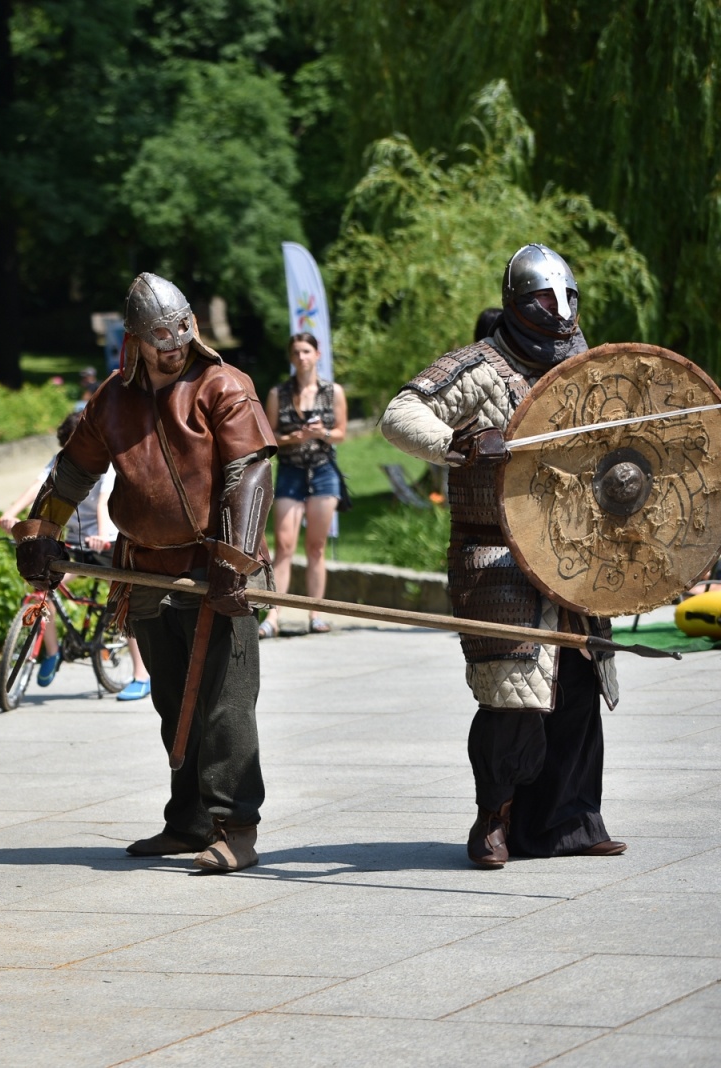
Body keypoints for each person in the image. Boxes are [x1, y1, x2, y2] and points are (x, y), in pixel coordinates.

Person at [13, 273, 276, 872]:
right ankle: (187, 821)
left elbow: (249, 473)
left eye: (184, 330)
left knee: (226, 705)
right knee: (172, 700)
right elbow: (74, 470)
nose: (176, 345)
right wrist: (42, 531)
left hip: (217, 569)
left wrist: (237, 559)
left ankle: (237, 826)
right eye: (162, 336)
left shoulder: (224, 385)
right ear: (134, 340)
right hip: (148, 569)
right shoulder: (112, 399)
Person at [380, 244, 626, 869]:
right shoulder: (479, 364)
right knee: (513, 694)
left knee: (576, 687)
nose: (559, 309)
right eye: (545, 297)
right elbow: (399, 413)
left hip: (572, 549)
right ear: (518, 302)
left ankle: (569, 822)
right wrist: (460, 445)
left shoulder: (583, 363)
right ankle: (494, 821)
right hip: (497, 551)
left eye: (566, 297)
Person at [0, 411, 151, 698]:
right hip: (76, 544)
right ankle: (52, 652)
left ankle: (142, 674)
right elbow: (38, 487)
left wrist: (102, 535)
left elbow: (105, 499)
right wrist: (11, 513)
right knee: (42, 582)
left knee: (124, 602)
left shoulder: (106, 462)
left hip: (106, 541)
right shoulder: (62, 462)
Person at [263, 333, 348, 637]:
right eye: (297, 352)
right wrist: (292, 438)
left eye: (307, 351)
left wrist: (321, 433)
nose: (302, 357)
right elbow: (269, 436)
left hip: (323, 471)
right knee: (284, 545)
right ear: (291, 357)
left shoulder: (332, 391)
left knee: (316, 547)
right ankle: (273, 615)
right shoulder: (279, 393)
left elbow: (340, 433)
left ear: (317, 354)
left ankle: (316, 612)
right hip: (290, 471)